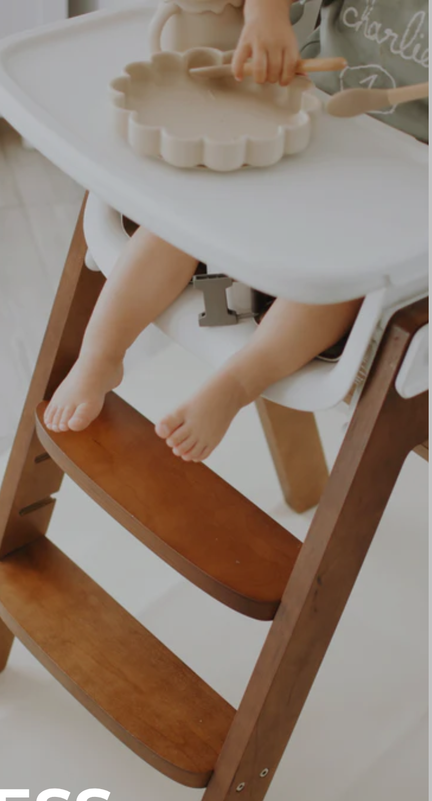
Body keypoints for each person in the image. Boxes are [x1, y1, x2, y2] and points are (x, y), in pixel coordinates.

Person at [44, 0, 428, 464]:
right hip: (311, 131)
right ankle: (100, 355)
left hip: (395, 194)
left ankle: (235, 384)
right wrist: (264, 16)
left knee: (334, 288)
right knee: (179, 221)